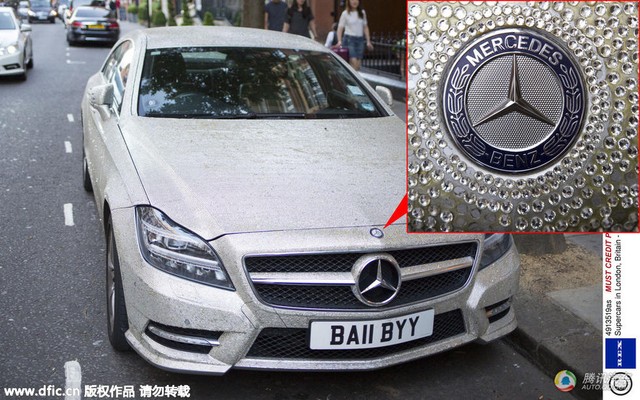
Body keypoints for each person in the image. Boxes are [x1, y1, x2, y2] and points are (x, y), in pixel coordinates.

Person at [336, 0, 374, 71]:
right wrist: (339, 41)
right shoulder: (345, 13)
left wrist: (368, 41)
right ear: (349, 1)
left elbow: (365, 27)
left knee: (358, 66)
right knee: (354, 63)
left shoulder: (362, 13)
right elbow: (340, 28)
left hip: (360, 40)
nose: (355, 2)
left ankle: (351, 77)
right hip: (349, 40)